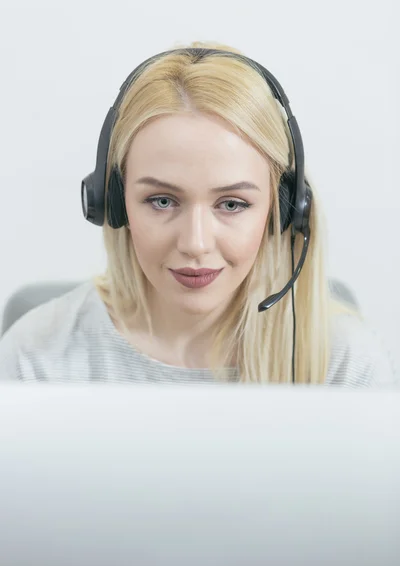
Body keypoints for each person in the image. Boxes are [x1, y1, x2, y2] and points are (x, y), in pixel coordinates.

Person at [0, 41, 397, 386]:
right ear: (113, 202)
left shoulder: (346, 367)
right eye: (162, 200)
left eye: (231, 204)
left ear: (284, 208)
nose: (195, 243)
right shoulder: (36, 357)